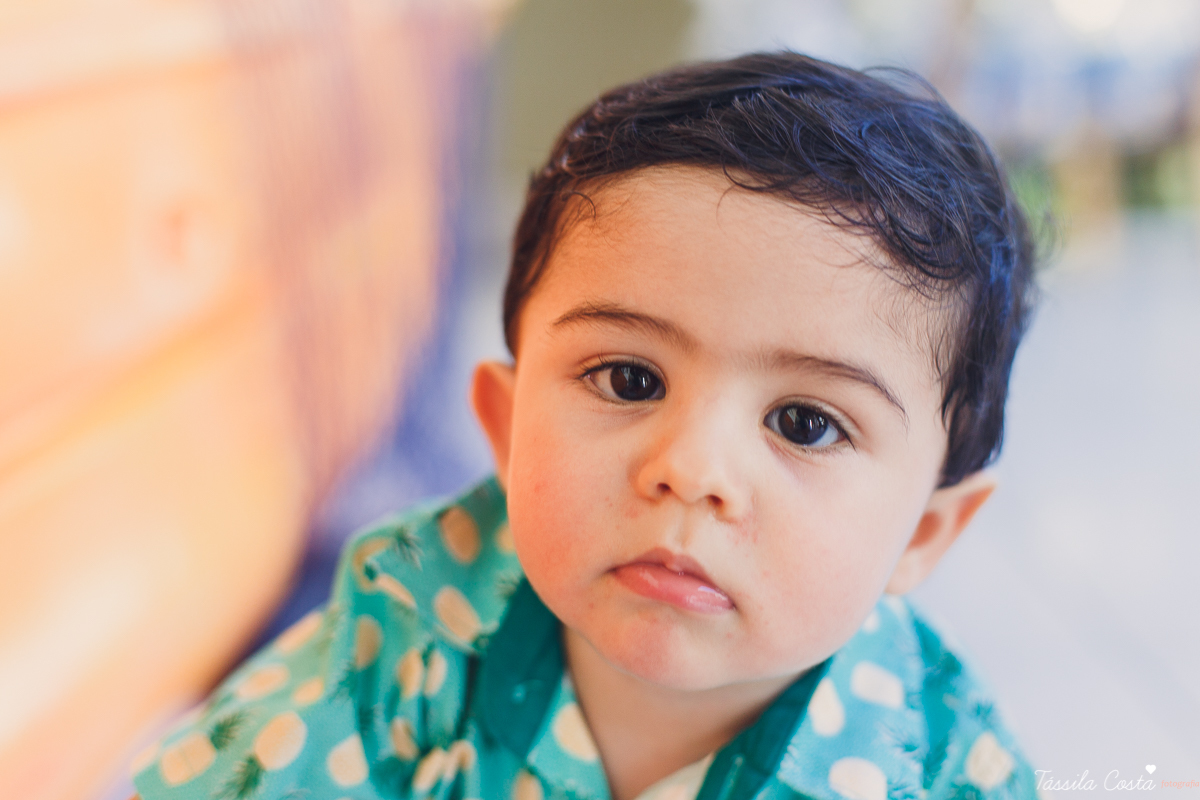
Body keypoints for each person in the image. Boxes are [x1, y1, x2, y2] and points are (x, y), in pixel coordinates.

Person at [130, 52, 1039, 800]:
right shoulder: (410, 624)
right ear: (504, 423)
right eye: (630, 379)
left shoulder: (940, 771)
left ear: (923, 533)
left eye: (805, 424)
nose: (691, 468)